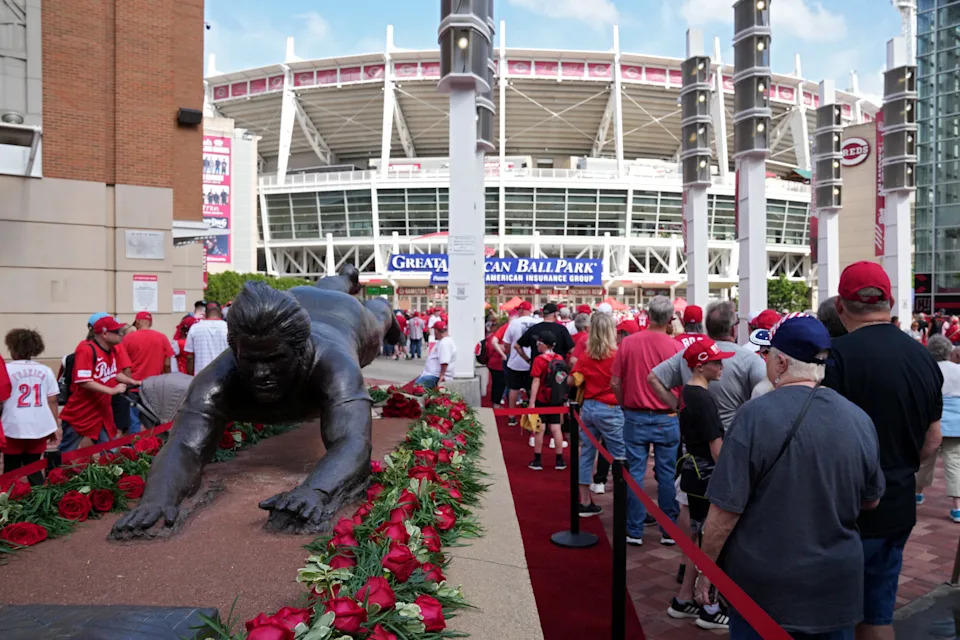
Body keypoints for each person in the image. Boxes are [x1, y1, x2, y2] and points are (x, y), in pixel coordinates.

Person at [696, 314, 885, 639]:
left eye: (769, 354)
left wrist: (706, 569)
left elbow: (724, 511)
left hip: (766, 589)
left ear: (781, 362)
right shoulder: (859, 419)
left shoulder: (753, 416)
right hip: (835, 586)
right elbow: (872, 499)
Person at [823, 261, 943, 640]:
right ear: (889, 302)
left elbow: (825, 439)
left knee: (836, 616)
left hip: (844, 508)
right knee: (878, 614)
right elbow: (933, 440)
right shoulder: (924, 356)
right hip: (898, 501)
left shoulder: (835, 357)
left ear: (840, 307)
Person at [668, 338, 733, 631]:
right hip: (705, 475)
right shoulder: (703, 398)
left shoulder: (687, 393)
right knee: (711, 541)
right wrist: (732, 479)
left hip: (691, 472)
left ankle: (684, 600)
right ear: (700, 365)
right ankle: (710, 606)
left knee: (695, 538)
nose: (722, 366)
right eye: (716, 362)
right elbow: (716, 447)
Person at [611, 295, 684, 546]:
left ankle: (634, 529)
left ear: (647, 314)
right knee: (665, 474)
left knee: (635, 473)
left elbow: (615, 382)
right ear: (670, 319)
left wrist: (624, 403)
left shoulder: (629, 344)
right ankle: (668, 529)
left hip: (635, 414)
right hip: (667, 416)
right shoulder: (676, 347)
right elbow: (684, 384)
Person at [648, 301, 767, 431]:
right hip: (732, 437)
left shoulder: (688, 354)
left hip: (695, 437)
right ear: (733, 328)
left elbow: (653, 378)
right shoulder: (750, 359)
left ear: (708, 327)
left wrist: (679, 408)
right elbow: (768, 394)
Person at [571, 312, 625, 514]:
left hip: (588, 407)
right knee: (620, 456)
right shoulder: (617, 354)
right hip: (611, 408)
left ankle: (584, 501)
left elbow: (572, 378)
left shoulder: (586, 355)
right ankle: (625, 504)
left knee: (586, 454)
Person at [59, 316, 136, 451]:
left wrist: (132, 381)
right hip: (81, 413)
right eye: (117, 331)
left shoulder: (111, 350)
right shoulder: (86, 349)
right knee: (67, 451)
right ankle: (56, 471)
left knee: (109, 450)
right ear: (105, 334)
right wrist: (111, 391)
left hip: (102, 411)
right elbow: (84, 381)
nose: (122, 334)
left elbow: (113, 373)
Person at [2, 330, 60, 485]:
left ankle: (6, 501)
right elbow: (52, 400)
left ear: (12, 348)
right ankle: (38, 502)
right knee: (34, 468)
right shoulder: (45, 370)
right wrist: (53, 426)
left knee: (10, 468)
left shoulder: (5, 369)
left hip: (11, 424)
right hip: (38, 425)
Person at [916, 335, 960, 522]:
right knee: (955, 463)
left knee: (925, 459)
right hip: (957, 423)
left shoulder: (927, 369)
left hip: (934, 421)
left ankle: (917, 493)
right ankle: (957, 507)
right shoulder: (958, 370)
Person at [122, 311, 175, 433]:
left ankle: (136, 450)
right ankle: (153, 448)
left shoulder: (128, 338)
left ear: (138, 322)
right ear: (150, 323)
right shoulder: (162, 337)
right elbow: (167, 363)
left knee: (134, 423)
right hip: (155, 387)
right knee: (154, 421)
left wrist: (129, 383)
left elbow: (124, 365)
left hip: (134, 387)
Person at [527, 333, 567, 471]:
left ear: (544, 345)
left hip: (542, 398)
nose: (537, 345)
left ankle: (537, 460)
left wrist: (531, 402)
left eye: (539, 343)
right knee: (556, 428)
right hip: (556, 399)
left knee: (540, 428)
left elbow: (536, 380)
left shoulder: (539, 360)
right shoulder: (559, 358)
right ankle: (559, 459)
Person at [502, 301, 540, 426]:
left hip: (516, 361)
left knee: (513, 388)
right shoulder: (537, 322)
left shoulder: (514, 323)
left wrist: (508, 353)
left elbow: (506, 343)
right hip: (533, 361)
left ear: (522, 310)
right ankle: (532, 415)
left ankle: (512, 416)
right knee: (532, 389)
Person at [185, 301, 229, 375]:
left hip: (201, 376)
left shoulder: (195, 328)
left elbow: (190, 357)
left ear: (205, 313)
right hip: (223, 375)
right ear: (221, 313)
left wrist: (190, 378)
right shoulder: (229, 328)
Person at [416, 321, 455, 389]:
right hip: (432, 375)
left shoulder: (445, 343)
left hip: (434, 376)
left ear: (436, 331)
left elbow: (444, 362)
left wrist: (442, 375)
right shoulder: (444, 341)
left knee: (416, 389)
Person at [486, 320, 508, 409]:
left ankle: (496, 403)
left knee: (497, 384)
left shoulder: (492, 336)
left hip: (493, 363)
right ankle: (496, 404)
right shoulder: (495, 338)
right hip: (497, 364)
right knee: (499, 385)